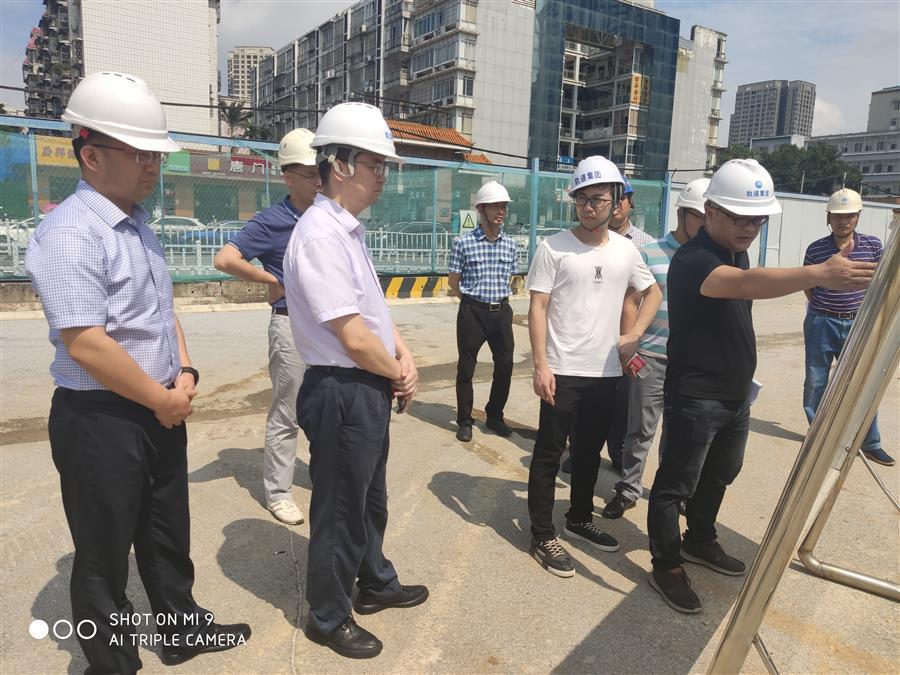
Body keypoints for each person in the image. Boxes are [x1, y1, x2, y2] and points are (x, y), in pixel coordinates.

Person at [25, 71, 250, 673]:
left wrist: (184, 372)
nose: (152, 165)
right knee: (103, 557)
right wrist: (160, 397)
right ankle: (113, 663)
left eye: (156, 153)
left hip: (158, 406)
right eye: (139, 152)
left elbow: (159, 313)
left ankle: (180, 630)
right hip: (101, 419)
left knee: (166, 534)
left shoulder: (140, 226)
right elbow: (86, 343)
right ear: (91, 154)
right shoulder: (71, 232)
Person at [646, 160, 877, 614]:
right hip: (696, 396)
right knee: (675, 484)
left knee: (721, 473)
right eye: (740, 218)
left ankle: (700, 539)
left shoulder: (736, 249)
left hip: (734, 394)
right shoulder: (693, 260)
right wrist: (817, 274)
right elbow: (745, 285)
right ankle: (666, 565)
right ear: (710, 212)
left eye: (757, 220)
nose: (749, 228)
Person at [283, 102, 428, 659]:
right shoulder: (320, 236)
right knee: (341, 509)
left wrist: (402, 355)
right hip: (342, 388)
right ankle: (327, 616)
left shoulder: (347, 231)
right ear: (339, 164)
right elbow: (351, 336)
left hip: (365, 383)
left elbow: (374, 315)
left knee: (369, 499)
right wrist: (398, 373)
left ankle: (374, 581)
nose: (383, 175)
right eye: (374, 163)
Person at [526, 156, 662, 577]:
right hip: (562, 370)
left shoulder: (626, 250)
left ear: (616, 201)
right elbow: (537, 308)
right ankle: (542, 533)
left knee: (589, 453)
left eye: (597, 199)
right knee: (549, 454)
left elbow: (653, 292)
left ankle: (579, 518)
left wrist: (633, 334)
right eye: (581, 199)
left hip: (606, 373)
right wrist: (541, 365)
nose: (588, 207)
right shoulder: (553, 248)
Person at [214, 128, 321, 524]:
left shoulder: (328, 216)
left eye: (320, 172)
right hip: (291, 326)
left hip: (329, 329)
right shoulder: (273, 221)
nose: (318, 180)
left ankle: (324, 475)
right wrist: (270, 280)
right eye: (308, 173)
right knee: (287, 412)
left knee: (323, 407)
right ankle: (278, 492)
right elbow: (225, 258)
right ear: (287, 176)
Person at [602, 178, 710, 519]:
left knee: (679, 434)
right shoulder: (650, 252)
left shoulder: (711, 258)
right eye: (700, 216)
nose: (705, 224)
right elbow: (630, 300)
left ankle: (669, 493)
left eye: (709, 217)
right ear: (682, 214)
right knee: (640, 429)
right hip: (651, 356)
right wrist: (630, 345)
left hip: (690, 363)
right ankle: (628, 489)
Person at [561, 176, 654, 474]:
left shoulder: (644, 244)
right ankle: (577, 451)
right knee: (582, 404)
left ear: (627, 203)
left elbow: (650, 292)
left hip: (624, 339)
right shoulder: (584, 241)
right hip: (588, 337)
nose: (616, 206)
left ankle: (617, 453)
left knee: (620, 403)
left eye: (622, 198)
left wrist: (634, 334)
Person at [802, 188, 892, 466]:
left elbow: (881, 281)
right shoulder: (816, 249)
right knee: (816, 380)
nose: (844, 221)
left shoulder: (873, 246)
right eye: (838, 216)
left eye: (850, 215)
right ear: (828, 217)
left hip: (857, 323)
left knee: (863, 381)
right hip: (821, 321)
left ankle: (869, 442)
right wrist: (826, 307)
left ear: (858, 217)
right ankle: (818, 434)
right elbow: (808, 285)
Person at [448, 180, 519, 443]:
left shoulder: (510, 245)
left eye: (504, 207)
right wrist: (469, 302)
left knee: (506, 365)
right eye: (495, 206)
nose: (501, 211)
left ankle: (495, 416)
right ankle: (465, 420)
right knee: (466, 367)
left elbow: (512, 278)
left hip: (501, 312)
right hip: (473, 313)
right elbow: (453, 281)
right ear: (481, 209)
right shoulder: (463, 243)